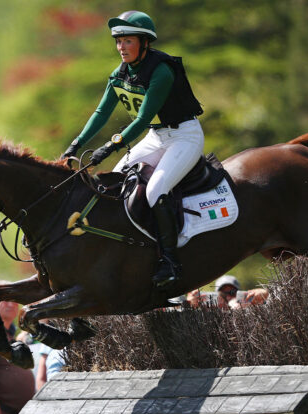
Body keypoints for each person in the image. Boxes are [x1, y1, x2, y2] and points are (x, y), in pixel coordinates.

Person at [60, 10, 204, 288]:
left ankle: (171, 261)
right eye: (118, 42)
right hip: (157, 136)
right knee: (114, 182)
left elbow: (141, 119)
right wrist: (75, 145)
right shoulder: (119, 74)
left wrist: (110, 146)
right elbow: (101, 113)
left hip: (184, 136)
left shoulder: (161, 71)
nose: (121, 47)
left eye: (127, 41)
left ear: (144, 43)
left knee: (155, 191)